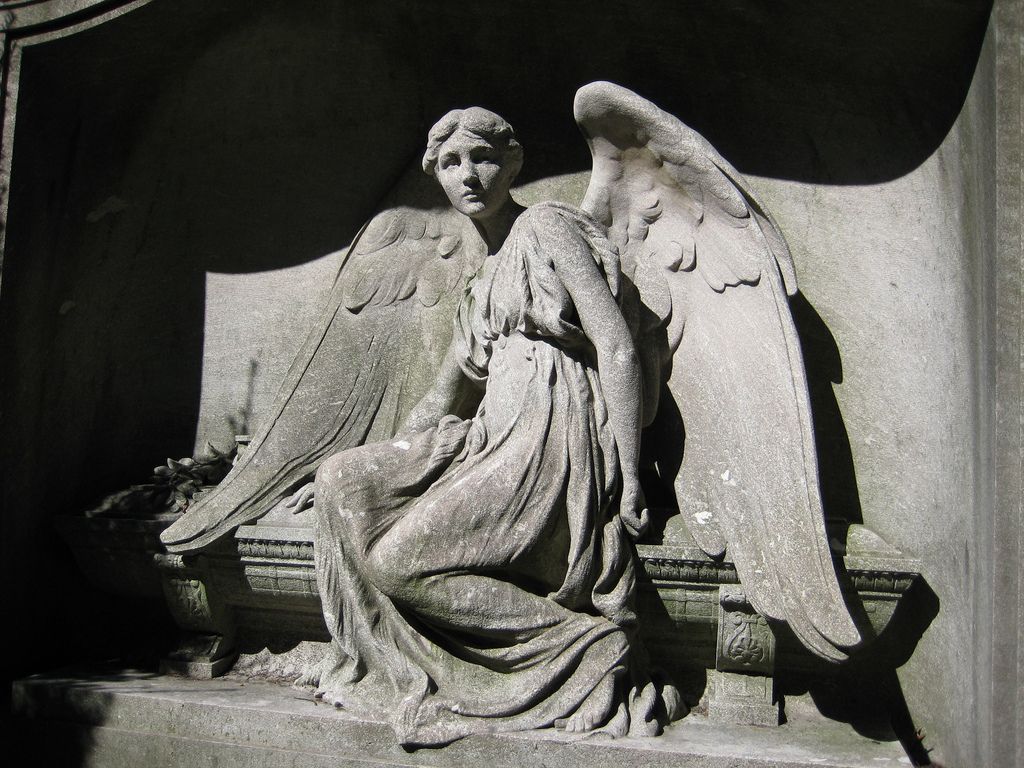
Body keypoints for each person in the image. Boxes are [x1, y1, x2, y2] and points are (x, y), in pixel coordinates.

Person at [293, 106, 672, 746]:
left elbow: (616, 344)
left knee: (398, 563)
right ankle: (390, 662)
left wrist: (629, 470)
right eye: (450, 163)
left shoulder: (547, 227)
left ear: (513, 163)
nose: (467, 175)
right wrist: (380, 461)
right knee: (342, 483)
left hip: (549, 435)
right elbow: (445, 394)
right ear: (436, 176)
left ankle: (585, 647)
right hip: (493, 435)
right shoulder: (480, 278)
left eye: (482, 158)